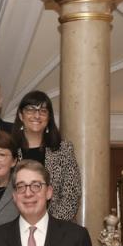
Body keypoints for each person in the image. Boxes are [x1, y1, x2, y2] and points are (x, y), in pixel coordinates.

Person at [12, 91, 81, 222]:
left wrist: (49, 226)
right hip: (15, 227)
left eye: (43, 111)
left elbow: (71, 194)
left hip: (57, 229)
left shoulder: (63, 149)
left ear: (49, 118)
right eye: (30, 110)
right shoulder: (10, 150)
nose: (37, 115)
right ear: (21, 116)